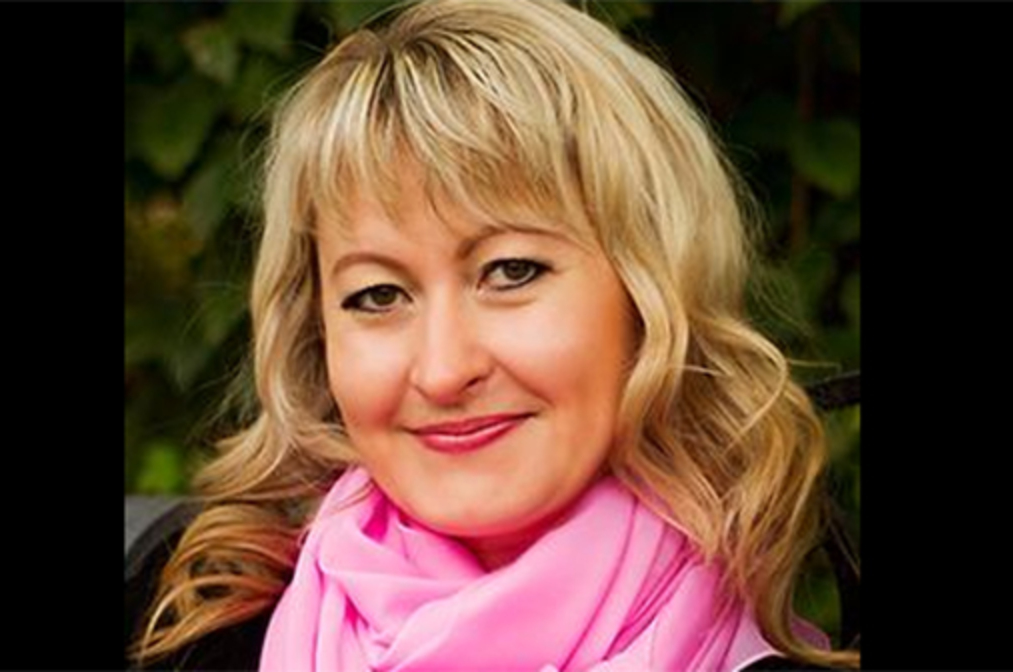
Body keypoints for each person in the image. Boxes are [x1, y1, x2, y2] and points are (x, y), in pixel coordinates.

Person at [127, 0, 860, 669]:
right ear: (317, 338)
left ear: (653, 293)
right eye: (378, 294)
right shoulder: (194, 637)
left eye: (511, 272)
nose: (444, 370)